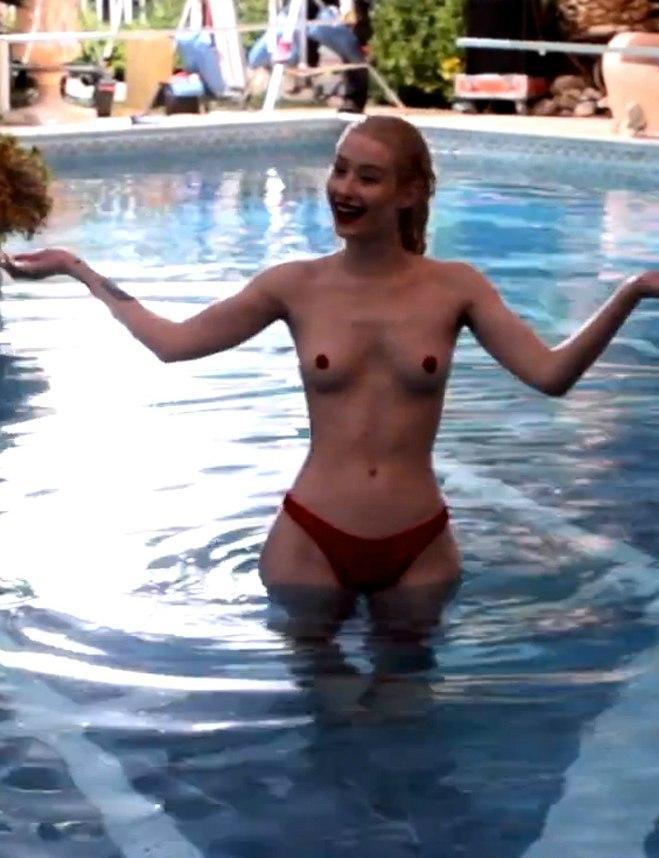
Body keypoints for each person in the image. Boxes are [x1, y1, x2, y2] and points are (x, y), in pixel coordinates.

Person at [2, 115, 659, 645]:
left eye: (368, 177)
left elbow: (549, 375)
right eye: (340, 169)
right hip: (311, 540)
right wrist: (78, 270)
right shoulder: (295, 285)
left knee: (405, 717)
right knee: (328, 718)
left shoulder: (455, 288)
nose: (344, 188)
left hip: (420, 543)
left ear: (408, 193)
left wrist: (631, 291)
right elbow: (173, 344)